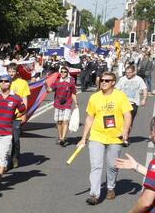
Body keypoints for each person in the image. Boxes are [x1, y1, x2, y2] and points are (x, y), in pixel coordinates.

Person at [77, 72, 133, 205]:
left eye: (107, 81)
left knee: (112, 166)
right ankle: (94, 194)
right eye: (101, 80)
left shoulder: (120, 96)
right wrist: (84, 138)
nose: (103, 82)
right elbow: (90, 118)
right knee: (96, 166)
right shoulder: (94, 97)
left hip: (115, 137)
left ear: (113, 82)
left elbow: (127, 115)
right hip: (97, 135)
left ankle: (111, 187)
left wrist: (125, 131)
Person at [0, 76, 26, 189]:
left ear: (10, 83)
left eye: (6, 81)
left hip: (6, 133)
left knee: (2, 158)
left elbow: (23, 110)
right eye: (1, 81)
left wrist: (14, 116)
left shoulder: (16, 98)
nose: (3, 83)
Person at [47, 66, 78, 146]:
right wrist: (45, 83)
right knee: (59, 122)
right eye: (62, 71)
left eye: (65, 72)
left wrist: (76, 103)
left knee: (65, 121)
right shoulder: (57, 81)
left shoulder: (71, 81)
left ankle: (63, 138)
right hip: (58, 104)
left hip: (67, 103)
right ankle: (60, 137)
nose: (63, 73)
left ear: (67, 73)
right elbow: (49, 90)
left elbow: (73, 92)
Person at [7, 64, 29, 168]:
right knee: (5, 139)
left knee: (15, 138)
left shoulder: (23, 83)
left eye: (13, 71)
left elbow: (25, 99)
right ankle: (5, 159)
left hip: (17, 114)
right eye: (9, 71)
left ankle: (15, 157)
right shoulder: (4, 82)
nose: (11, 73)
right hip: (5, 115)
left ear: (17, 72)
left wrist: (24, 113)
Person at [116, 64, 148, 129]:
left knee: (129, 122)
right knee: (120, 121)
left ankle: (126, 137)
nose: (128, 74)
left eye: (130, 72)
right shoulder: (122, 79)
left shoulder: (139, 79)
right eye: (126, 72)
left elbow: (144, 89)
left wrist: (144, 99)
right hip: (122, 103)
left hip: (133, 103)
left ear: (134, 72)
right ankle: (122, 135)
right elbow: (116, 89)